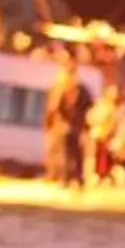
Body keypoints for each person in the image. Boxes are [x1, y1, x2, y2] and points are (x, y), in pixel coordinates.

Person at [43, 55, 89, 188]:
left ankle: (69, 179)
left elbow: (54, 107)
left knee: (69, 154)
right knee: (74, 154)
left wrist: (50, 122)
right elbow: (89, 105)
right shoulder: (79, 89)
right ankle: (75, 179)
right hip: (73, 126)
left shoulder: (63, 87)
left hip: (67, 126)